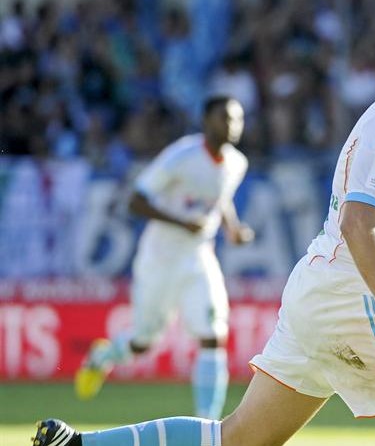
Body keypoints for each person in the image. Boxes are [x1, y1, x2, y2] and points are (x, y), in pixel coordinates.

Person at [34, 4, 375, 446]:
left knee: (237, 438)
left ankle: (78, 444)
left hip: (321, 293)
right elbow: (358, 221)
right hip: (355, 300)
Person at [72, 96, 253, 421]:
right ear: (206, 120)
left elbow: (220, 198)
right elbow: (136, 201)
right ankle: (103, 357)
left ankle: (208, 425)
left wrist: (233, 228)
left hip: (199, 257)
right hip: (160, 257)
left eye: (237, 119)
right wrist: (182, 222)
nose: (233, 125)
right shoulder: (181, 156)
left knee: (213, 335)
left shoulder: (237, 163)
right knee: (143, 342)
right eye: (225, 118)